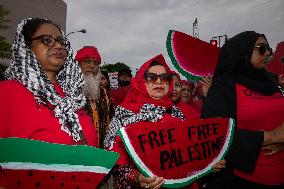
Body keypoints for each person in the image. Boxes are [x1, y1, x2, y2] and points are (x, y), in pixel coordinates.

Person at [0, 18, 98, 188]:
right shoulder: (7, 92)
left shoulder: (73, 97)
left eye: (61, 41)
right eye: (47, 40)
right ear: (26, 46)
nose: (59, 46)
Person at [104, 54, 224, 189]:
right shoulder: (123, 113)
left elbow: (187, 156)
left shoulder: (177, 113)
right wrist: (136, 177)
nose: (159, 81)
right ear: (140, 81)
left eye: (165, 78)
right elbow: (113, 160)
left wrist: (207, 163)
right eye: (151, 77)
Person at [201, 31, 284, 188]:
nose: (267, 53)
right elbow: (215, 133)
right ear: (242, 52)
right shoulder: (223, 88)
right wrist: (273, 136)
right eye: (261, 48)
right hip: (242, 180)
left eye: (269, 49)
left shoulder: (272, 85)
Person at [75, 46, 114, 148]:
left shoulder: (105, 94)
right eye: (87, 61)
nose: (92, 66)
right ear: (77, 65)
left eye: (96, 63)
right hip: (76, 153)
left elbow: (112, 123)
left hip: (102, 151)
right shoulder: (67, 92)